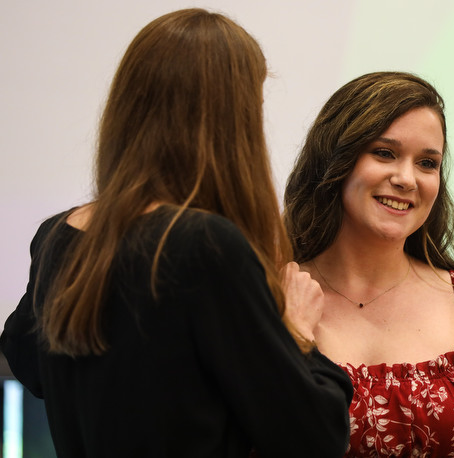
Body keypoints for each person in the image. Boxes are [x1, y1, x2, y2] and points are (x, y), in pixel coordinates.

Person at [0, 9, 352, 458]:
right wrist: (299, 335)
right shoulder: (206, 246)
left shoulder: (57, 236)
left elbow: (28, 364)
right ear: (232, 121)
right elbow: (315, 436)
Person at [283, 71, 454, 457]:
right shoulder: (274, 298)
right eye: (384, 153)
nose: (406, 179)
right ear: (336, 159)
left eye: (427, 163)